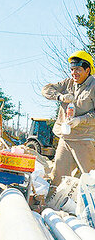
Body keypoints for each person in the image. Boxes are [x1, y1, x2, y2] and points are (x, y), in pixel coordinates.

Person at [41, 50, 95, 188]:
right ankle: (54, 205)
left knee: (90, 179)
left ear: (87, 69)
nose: (74, 73)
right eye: (72, 69)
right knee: (57, 177)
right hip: (66, 138)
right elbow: (46, 89)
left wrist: (80, 120)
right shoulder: (68, 83)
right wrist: (60, 97)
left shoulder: (93, 86)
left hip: (84, 139)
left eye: (78, 69)